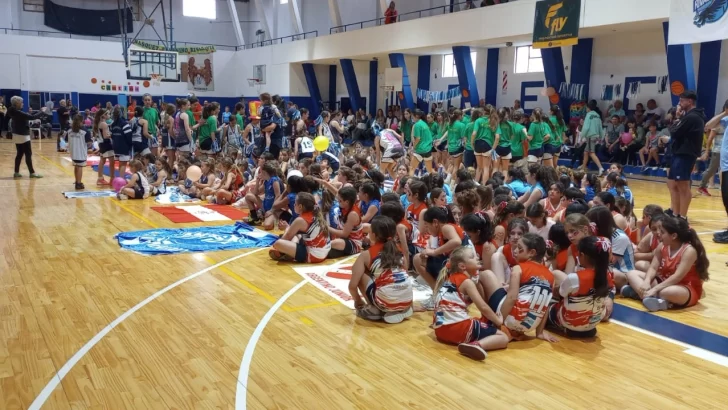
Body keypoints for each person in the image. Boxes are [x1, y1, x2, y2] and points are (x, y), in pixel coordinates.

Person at [432, 246, 509, 361]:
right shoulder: (466, 282)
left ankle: (472, 340)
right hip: (458, 329)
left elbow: (476, 301)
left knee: (477, 320)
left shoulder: (450, 279)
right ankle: (476, 345)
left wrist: (477, 281)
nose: (477, 257)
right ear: (463, 266)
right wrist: (497, 320)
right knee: (503, 337)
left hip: (440, 331)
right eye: (472, 257)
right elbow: (482, 306)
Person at [622, 217, 709, 311]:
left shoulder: (689, 251)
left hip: (684, 288)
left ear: (674, 236)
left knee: (667, 292)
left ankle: (640, 294)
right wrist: (647, 281)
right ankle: (655, 299)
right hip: (663, 283)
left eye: (662, 232)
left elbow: (677, 277)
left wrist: (654, 289)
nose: (659, 234)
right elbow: (653, 268)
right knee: (631, 274)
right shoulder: (662, 246)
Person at [349, 215, 413, 323]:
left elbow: (352, 286)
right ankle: (400, 309)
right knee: (398, 277)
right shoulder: (400, 251)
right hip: (407, 300)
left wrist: (358, 301)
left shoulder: (366, 254)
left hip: (385, 301)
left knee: (360, 274)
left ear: (373, 235)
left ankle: (374, 309)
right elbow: (405, 276)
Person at [547, 236, 612, 338]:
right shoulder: (607, 275)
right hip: (594, 323)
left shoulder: (575, 278)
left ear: (582, 255)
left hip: (571, 325)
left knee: (544, 307)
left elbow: (560, 294)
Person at [666, 91, 706, 220]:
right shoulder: (688, 116)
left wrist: (677, 118)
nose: (679, 103)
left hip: (685, 154)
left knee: (683, 186)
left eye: (682, 100)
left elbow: (674, 132)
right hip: (679, 153)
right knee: (673, 184)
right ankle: (675, 214)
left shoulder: (692, 117)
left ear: (690, 101)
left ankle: (682, 217)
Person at [269, 192, 331, 263]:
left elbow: (285, 239)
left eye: (295, 204)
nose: (293, 205)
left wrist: (286, 228)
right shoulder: (315, 212)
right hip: (324, 251)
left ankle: (286, 253)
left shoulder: (300, 220)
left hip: (314, 255)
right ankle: (287, 253)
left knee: (278, 243)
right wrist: (288, 227)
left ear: (300, 206)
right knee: (297, 235)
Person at [704, 100, 728, 243]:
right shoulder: (725, 119)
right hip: (725, 166)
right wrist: (724, 113)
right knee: (726, 199)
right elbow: (708, 126)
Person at [7, 96, 43, 178]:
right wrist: (41, 111)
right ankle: (32, 173)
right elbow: (32, 117)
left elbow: (27, 116)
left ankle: (16, 172)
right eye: (21, 102)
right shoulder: (18, 112)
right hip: (23, 135)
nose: (23, 104)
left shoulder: (13, 111)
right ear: (17, 103)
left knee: (19, 154)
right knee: (28, 153)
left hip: (16, 134)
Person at [580, 100, 605, 176]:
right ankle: (583, 168)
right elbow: (601, 127)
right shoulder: (597, 115)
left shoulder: (588, 115)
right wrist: (601, 136)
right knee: (586, 152)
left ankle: (601, 168)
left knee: (591, 153)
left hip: (591, 136)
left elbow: (586, 127)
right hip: (596, 136)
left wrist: (582, 136)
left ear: (588, 107)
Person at [67, 114, 88, 189]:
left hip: (73, 152)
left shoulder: (69, 131)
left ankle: (77, 180)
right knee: (79, 167)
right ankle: (78, 183)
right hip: (80, 152)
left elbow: (67, 140)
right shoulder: (84, 131)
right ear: (82, 121)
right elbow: (89, 143)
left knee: (76, 166)